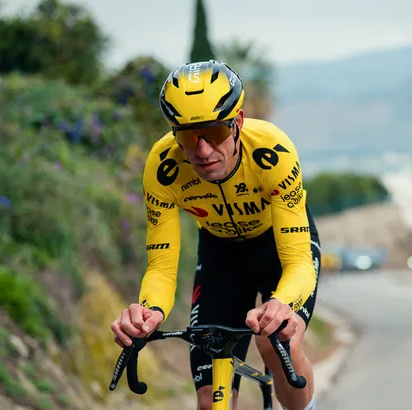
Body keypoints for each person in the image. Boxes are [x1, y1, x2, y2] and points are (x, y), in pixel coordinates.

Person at [110, 60, 321, 410]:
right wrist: (148, 311)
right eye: (187, 137)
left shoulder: (273, 151)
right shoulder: (162, 168)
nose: (203, 151)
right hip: (221, 257)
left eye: (216, 133)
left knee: (276, 343)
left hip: (279, 248)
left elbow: (298, 262)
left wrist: (282, 302)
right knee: (209, 402)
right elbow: (161, 267)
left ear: (238, 122)